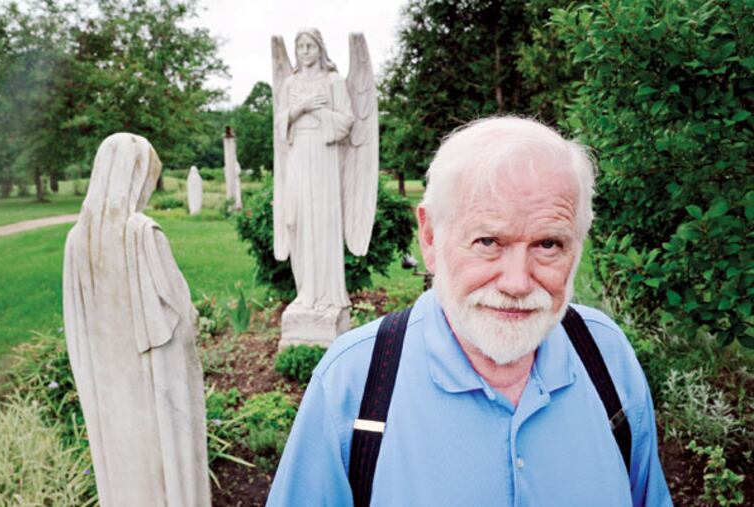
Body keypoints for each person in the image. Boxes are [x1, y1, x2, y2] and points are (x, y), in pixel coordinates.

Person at [266, 117, 672, 506]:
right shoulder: (354, 382)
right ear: (429, 237)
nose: (517, 283)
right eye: (488, 241)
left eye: (548, 244)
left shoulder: (606, 356)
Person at [63, 133, 210, 506]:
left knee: (123, 466)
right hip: (150, 381)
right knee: (160, 465)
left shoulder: (75, 239)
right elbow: (177, 316)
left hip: (106, 379)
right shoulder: (142, 234)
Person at [275, 28, 355, 311]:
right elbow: (280, 124)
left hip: (323, 155)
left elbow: (347, 122)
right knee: (295, 220)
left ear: (320, 49)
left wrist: (317, 112)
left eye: (310, 46)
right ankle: (305, 291)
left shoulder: (334, 81)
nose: (305, 52)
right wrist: (303, 107)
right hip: (298, 153)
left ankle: (326, 294)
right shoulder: (289, 84)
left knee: (321, 220)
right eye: (301, 47)